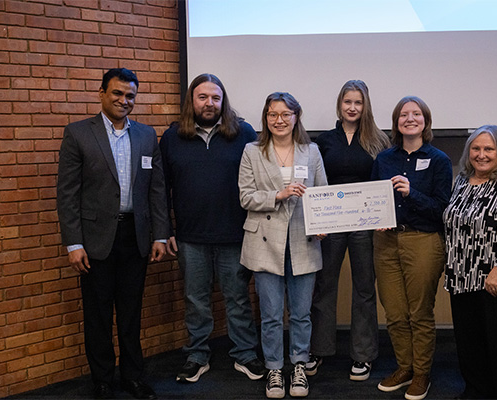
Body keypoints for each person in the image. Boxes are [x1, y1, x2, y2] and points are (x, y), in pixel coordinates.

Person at [57, 68, 167, 400]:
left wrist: (161, 235)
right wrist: (73, 243)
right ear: (102, 93)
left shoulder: (147, 135)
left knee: (132, 312)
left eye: (130, 95)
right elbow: (67, 193)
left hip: (136, 237)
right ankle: (102, 380)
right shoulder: (78, 134)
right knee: (98, 313)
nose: (124, 100)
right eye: (117, 93)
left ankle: (133, 376)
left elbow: (157, 190)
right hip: (94, 241)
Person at [159, 73, 265, 384]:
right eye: (203, 97)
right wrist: (166, 230)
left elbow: (259, 180)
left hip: (235, 234)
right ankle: (197, 355)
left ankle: (245, 354)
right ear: (191, 100)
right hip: (190, 237)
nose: (209, 103)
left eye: (215, 98)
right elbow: (160, 187)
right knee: (195, 299)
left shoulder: (243, 133)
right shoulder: (173, 137)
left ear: (223, 101)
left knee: (237, 297)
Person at [238, 92, 328, 398]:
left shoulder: (311, 151)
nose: (279, 120)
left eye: (285, 114)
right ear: (265, 118)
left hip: (304, 239)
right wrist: (278, 194)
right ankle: (275, 368)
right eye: (273, 114)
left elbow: (323, 194)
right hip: (264, 241)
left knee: (302, 314)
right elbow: (245, 196)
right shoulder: (252, 151)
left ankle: (299, 365)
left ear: (296, 117)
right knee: (272, 314)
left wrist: (324, 225)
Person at [308, 80, 390, 380]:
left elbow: (384, 184)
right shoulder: (324, 140)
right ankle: (318, 350)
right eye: (347, 102)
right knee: (324, 285)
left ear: (365, 105)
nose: (352, 107)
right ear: (339, 105)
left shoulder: (379, 140)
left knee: (365, 288)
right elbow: (315, 182)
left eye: (358, 102)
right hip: (330, 223)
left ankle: (363, 355)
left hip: (366, 224)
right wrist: (316, 221)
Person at [371, 96, 452, 400]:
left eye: (416, 114)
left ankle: (421, 374)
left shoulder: (439, 160)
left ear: (425, 121)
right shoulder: (383, 159)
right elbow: (372, 199)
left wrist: (411, 192)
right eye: (403, 115)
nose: (409, 119)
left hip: (423, 240)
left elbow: (442, 208)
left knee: (419, 313)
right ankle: (404, 368)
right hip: (386, 241)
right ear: (396, 122)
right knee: (394, 312)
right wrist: (374, 218)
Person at [443, 125, 497, 399]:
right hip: (463, 277)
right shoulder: (461, 181)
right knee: (470, 345)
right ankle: (476, 391)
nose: (481, 155)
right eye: (476, 148)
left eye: (488, 149)